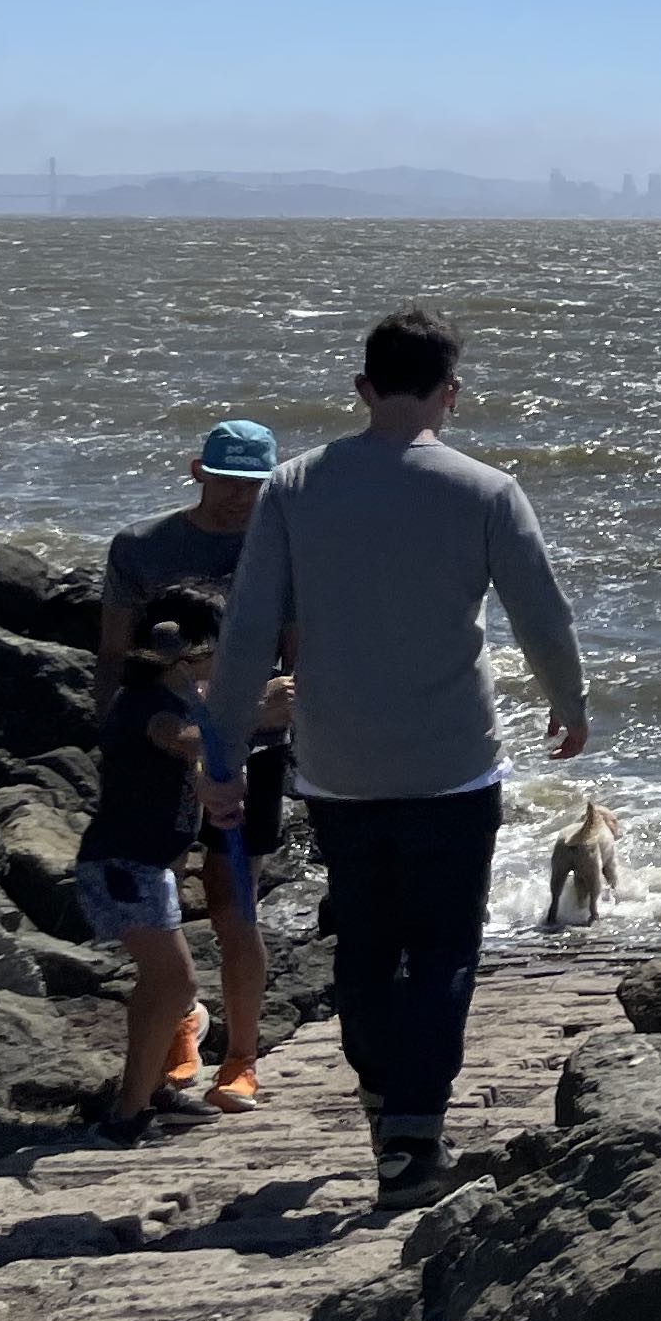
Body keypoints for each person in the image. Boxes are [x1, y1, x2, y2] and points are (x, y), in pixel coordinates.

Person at [203, 308, 589, 1210]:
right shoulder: (487, 491)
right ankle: (414, 1128)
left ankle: (386, 1103)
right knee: (447, 947)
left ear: (362, 389)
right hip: (453, 761)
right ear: (450, 394)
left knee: (367, 947)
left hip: (339, 766)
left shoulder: (294, 488)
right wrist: (569, 707)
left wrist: (220, 754)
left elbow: (247, 633)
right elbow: (544, 615)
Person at [99, 418, 293, 1112]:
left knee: (233, 901)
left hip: (254, 750)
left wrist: (291, 719)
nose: (239, 498)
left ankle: (241, 1059)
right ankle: (181, 1024)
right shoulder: (144, 548)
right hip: (158, 751)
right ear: (196, 471)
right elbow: (117, 657)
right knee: (158, 900)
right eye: (227, 481)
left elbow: (295, 661)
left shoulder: (283, 547)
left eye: (254, 485)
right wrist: (112, 741)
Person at [81, 599, 225, 1143]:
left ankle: (151, 1089)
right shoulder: (147, 704)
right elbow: (180, 739)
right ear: (183, 657)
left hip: (147, 865)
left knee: (168, 985)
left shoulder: (173, 698)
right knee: (172, 981)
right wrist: (254, 715)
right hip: (123, 865)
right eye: (216, 645)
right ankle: (129, 1111)